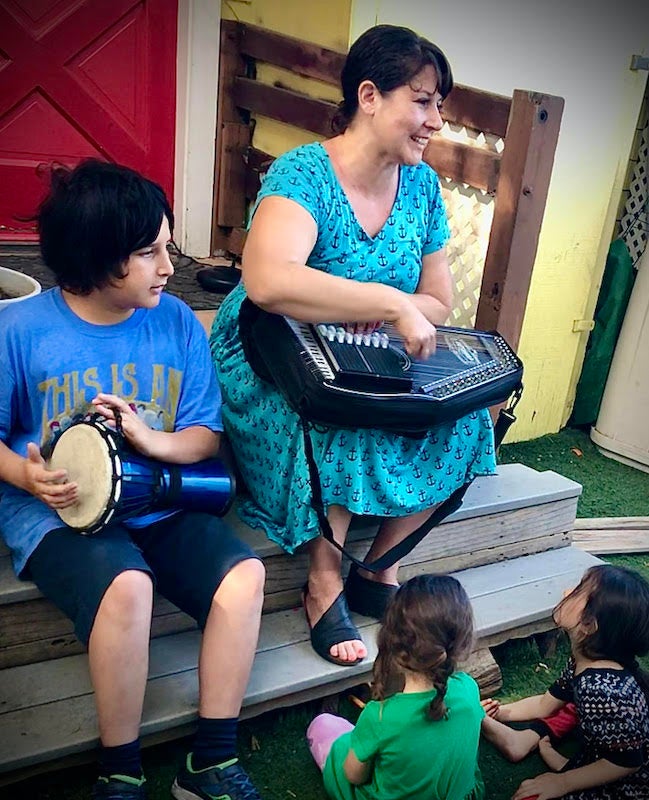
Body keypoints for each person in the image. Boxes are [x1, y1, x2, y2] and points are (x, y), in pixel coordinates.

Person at [210, 23, 496, 667]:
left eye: (438, 106)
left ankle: (379, 567)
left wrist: (388, 313)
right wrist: (388, 304)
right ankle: (323, 581)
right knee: (342, 418)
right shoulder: (305, 174)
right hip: (274, 357)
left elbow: (438, 301)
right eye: (421, 101)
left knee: (466, 417)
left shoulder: (421, 187)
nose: (434, 121)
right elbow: (268, 281)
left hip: (364, 353)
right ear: (369, 96)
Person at [0, 160, 266, 800]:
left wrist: (152, 440)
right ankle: (120, 770)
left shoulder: (176, 321)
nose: (169, 267)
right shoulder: (20, 330)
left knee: (246, 574)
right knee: (126, 587)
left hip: (162, 502)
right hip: (60, 513)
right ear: (96, 258)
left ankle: (212, 762)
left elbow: (205, 434)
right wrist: (27, 476)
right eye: (149, 253)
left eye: (167, 247)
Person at [305, 573, 486, 800]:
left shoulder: (381, 716)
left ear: (391, 641)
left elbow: (354, 776)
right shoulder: (469, 689)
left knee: (326, 728)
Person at [481, 565, 649, 800]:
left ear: (589, 625)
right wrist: (497, 712)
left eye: (578, 590)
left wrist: (563, 781)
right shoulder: (586, 660)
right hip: (600, 756)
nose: (567, 590)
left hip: (626, 785)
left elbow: (628, 763)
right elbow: (544, 704)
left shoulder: (601, 690)